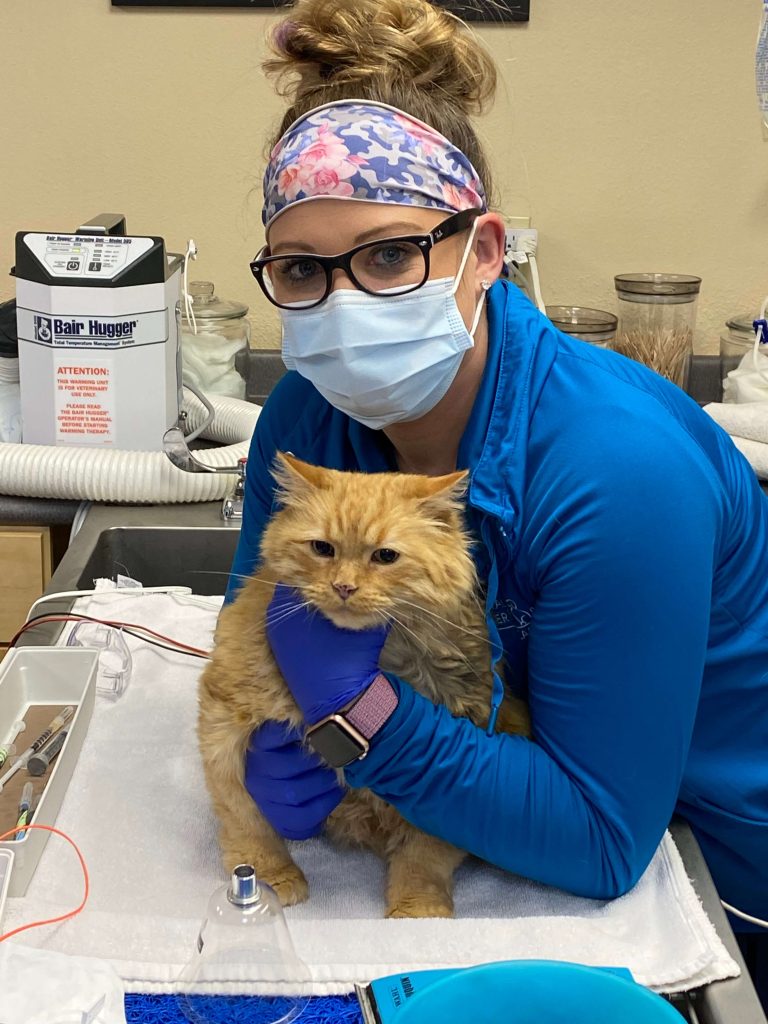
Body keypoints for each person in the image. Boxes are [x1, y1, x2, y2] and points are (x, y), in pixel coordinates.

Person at [226, 0, 768, 1004]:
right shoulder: (307, 412)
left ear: (481, 252)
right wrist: (268, 740)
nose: (342, 307)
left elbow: (606, 839)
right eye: (301, 269)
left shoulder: (619, 473)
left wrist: (357, 719)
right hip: (494, 812)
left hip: (715, 872)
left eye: (390, 255)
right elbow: (256, 625)